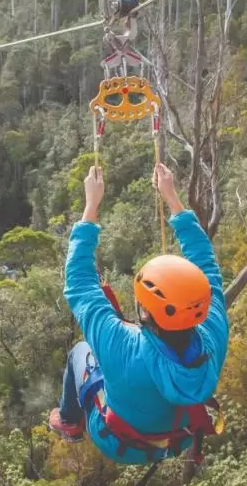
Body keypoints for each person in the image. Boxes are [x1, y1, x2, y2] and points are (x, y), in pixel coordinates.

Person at [47, 162, 228, 464]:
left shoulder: (123, 346)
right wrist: (172, 198)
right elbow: (207, 266)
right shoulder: (213, 328)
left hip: (117, 441)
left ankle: (71, 422)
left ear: (144, 313)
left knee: (81, 351)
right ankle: (73, 421)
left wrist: (91, 206)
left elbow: (79, 284)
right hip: (176, 439)